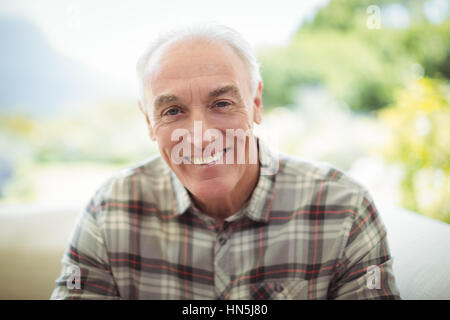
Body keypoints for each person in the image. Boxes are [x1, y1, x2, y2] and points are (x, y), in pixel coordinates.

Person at [50, 24, 401, 300]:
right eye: (172, 111)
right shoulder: (110, 211)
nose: (200, 136)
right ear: (148, 123)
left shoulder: (343, 209)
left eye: (221, 103)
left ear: (257, 102)